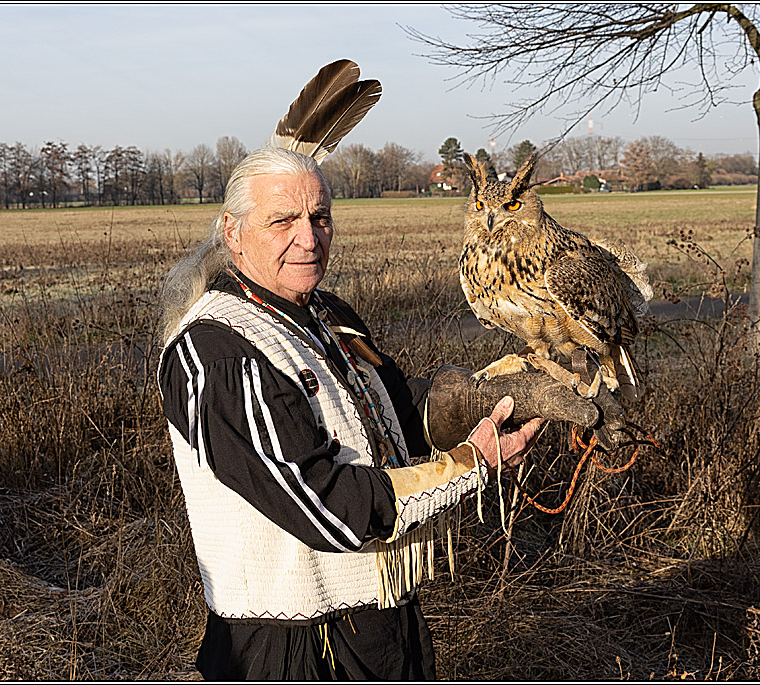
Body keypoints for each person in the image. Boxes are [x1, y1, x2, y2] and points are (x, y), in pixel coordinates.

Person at [158, 146, 602, 680]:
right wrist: (469, 464)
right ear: (233, 232)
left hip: (386, 624)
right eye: (283, 221)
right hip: (290, 651)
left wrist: (490, 396)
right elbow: (327, 506)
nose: (309, 238)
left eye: (320, 217)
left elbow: (392, 408)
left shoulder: (324, 313)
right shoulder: (215, 354)